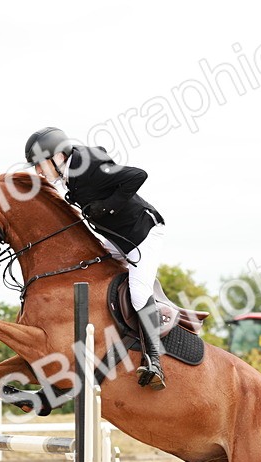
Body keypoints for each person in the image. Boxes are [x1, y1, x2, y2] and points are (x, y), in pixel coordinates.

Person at [23, 126, 168, 389]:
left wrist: (106, 206)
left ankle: (155, 360)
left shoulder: (87, 168)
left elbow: (137, 175)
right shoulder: (68, 173)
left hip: (142, 235)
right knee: (84, 263)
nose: (38, 172)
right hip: (116, 238)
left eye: (40, 165)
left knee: (138, 291)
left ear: (57, 157)